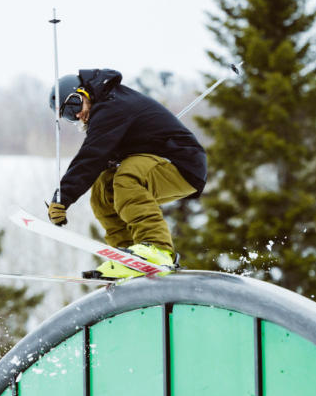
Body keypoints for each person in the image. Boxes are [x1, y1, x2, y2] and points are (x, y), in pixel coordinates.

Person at [47, 68, 207, 279]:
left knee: (127, 178)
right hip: (157, 162)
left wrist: (64, 196)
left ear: (83, 93)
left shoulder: (112, 105)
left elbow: (92, 155)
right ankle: (128, 256)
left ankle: (157, 249)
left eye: (74, 106)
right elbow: (98, 160)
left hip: (182, 163)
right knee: (103, 190)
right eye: (68, 116)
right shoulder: (107, 107)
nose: (76, 115)